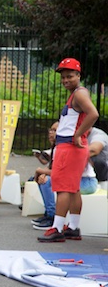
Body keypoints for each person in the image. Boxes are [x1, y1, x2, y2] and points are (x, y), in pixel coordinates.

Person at [38, 58, 99, 242]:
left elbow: (93, 114)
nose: (65, 80)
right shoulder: (77, 94)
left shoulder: (79, 94)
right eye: (63, 77)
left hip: (70, 146)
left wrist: (78, 134)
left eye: (70, 76)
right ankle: (72, 226)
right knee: (72, 189)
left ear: (78, 75)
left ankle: (56, 228)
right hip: (72, 147)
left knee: (63, 187)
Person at [31, 122, 98, 232]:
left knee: (53, 183)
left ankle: (54, 219)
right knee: (46, 180)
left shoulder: (69, 148)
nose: (51, 133)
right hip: (73, 178)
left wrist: (41, 171)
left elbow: (64, 173)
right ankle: (53, 217)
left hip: (86, 181)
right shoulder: (58, 147)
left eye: (55, 130)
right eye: (51, 130)